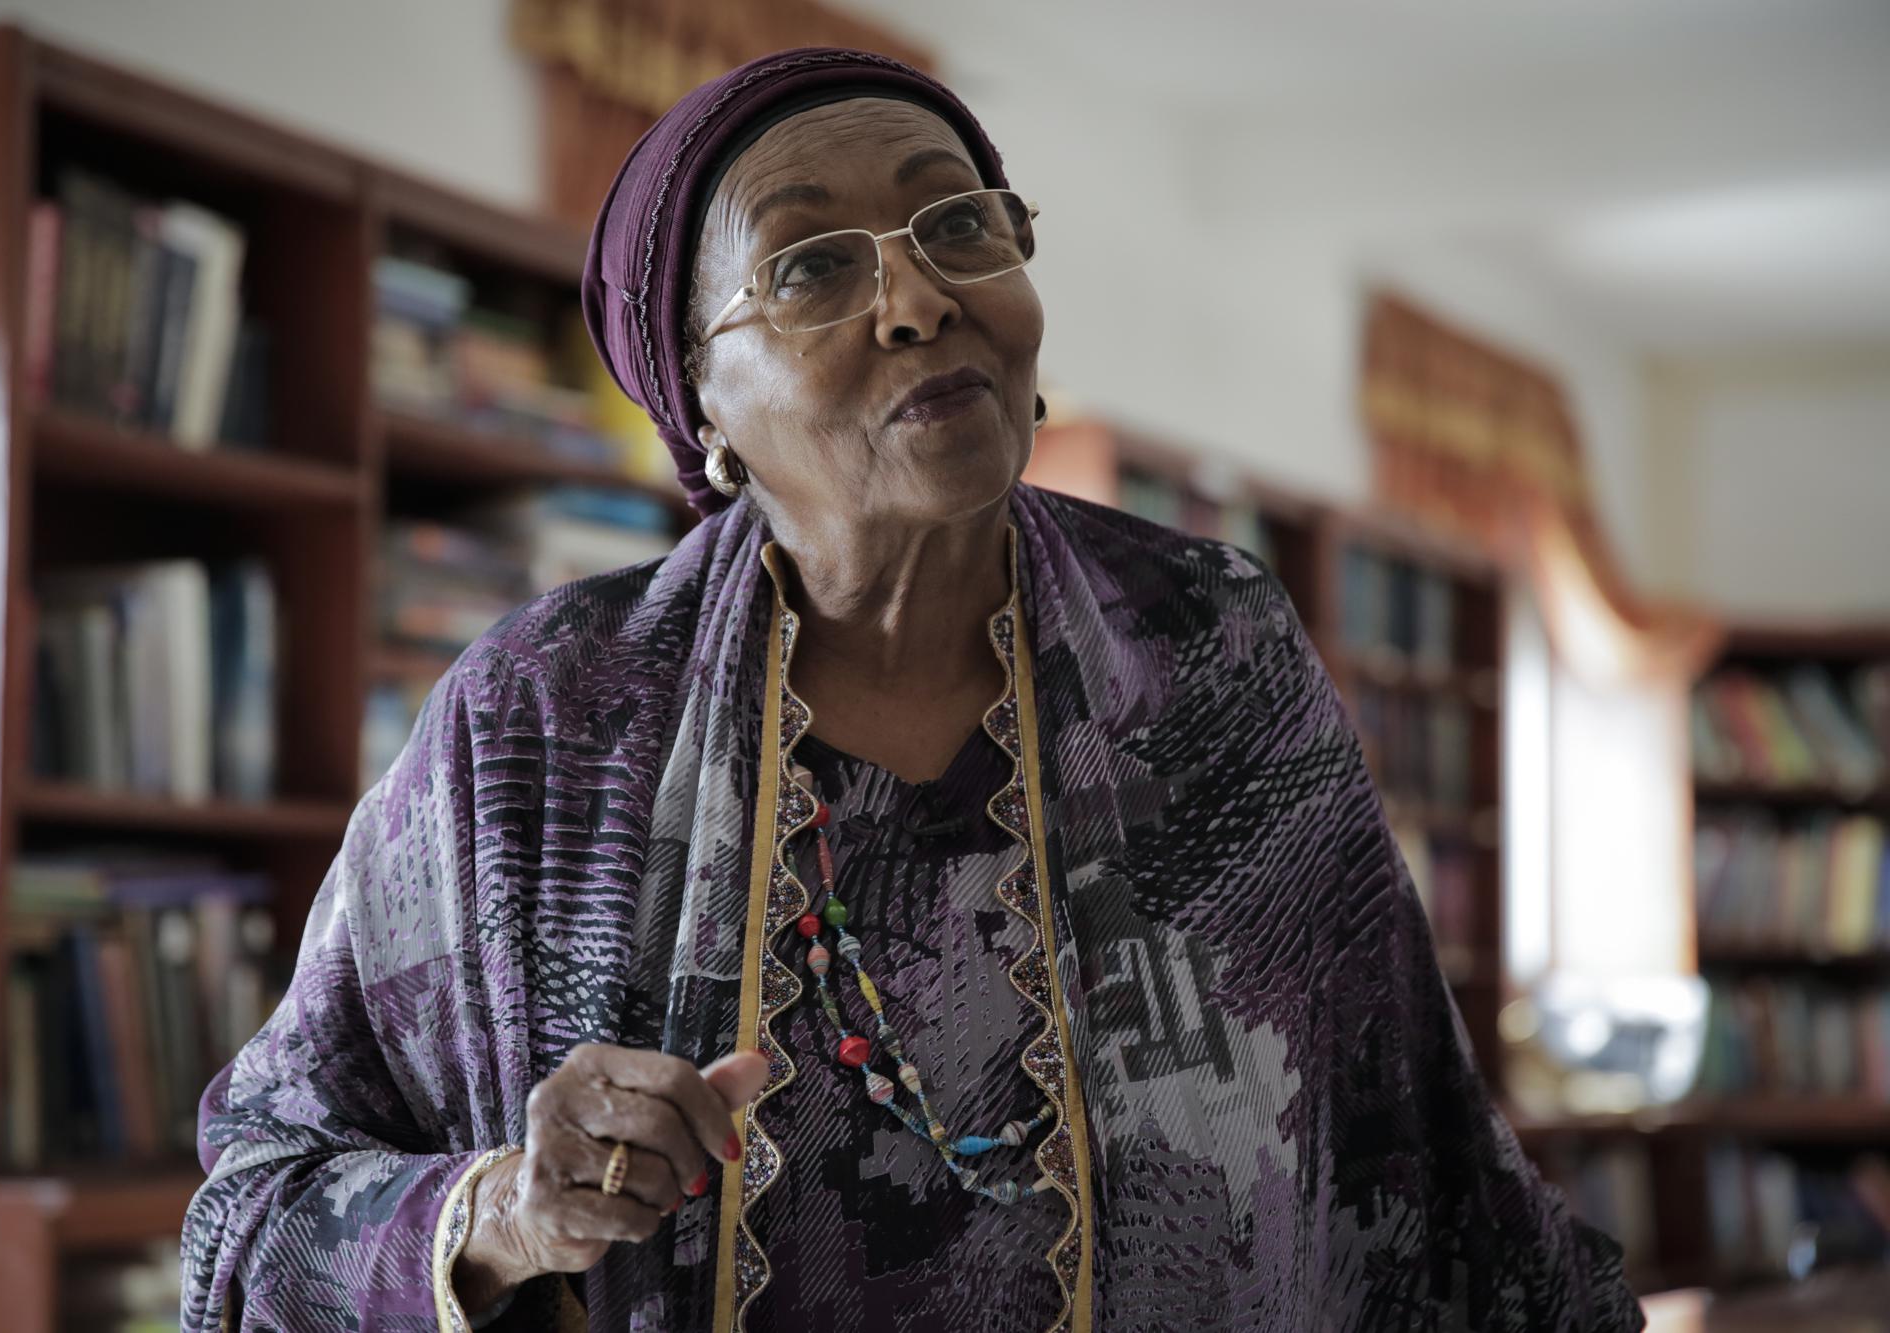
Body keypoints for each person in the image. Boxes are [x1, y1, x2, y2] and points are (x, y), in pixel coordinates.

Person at [181, 46, 1644, 1333]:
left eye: (959, 225)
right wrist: (505, 1209)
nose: (919, 296)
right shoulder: (546, 717)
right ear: (701, 407)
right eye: (810, 264)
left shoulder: (1211, 644)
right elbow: (255, 1207)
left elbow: (1426, 1173)